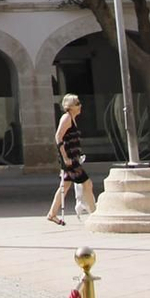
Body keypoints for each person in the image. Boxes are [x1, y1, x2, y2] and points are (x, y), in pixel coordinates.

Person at [47, 93, 96, 223]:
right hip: (69, 159)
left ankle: (52, 213)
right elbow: (58, 137)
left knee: (65, 186)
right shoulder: (66, 118)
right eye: (77, 104)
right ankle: (94, 213)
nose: (80, 106)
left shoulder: (72, 118)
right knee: (87, 183)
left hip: (72, 157)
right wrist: (65, 157)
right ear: (71, 107)